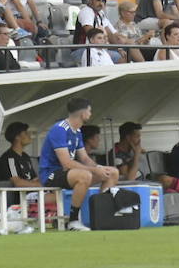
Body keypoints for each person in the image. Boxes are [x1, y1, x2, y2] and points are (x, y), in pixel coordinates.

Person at [38, 96, 119, 231]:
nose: (91, 114)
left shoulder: (78, 131)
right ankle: (73, 221)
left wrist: (99, 168)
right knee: (84, 176)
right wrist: (93, 171)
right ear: (83, 113)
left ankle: (103, 217)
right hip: (51, 174)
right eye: (90, 111)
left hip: (69, 173)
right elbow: (66, 163)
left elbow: (85, 158)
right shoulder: (60, 129)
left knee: (112, 172)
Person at [0, 121, 40, 188]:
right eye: (25, 133)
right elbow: (17, 183)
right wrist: (39, 185)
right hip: (22, 195)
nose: (29, 135)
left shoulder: (25, 156)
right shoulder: (9, 158)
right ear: (17, 137)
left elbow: (34, 178)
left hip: (35, 192)